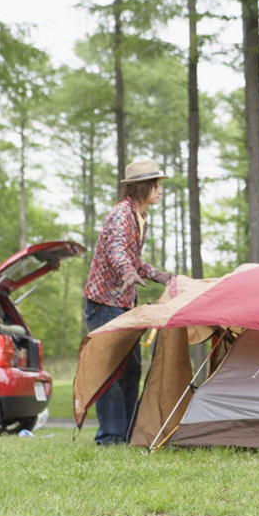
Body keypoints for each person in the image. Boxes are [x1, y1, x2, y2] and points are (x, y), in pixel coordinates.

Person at [83, 158, 173, 445]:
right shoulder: (121, 215)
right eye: (157, 185)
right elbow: (117, 250)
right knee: (112, 370)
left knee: (131, 368)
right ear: (143, 187)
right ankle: (110, 438)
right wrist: (128, 272)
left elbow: (131, 256)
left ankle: (127, 434)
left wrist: (157, 275)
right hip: (104, 303)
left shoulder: (140, 216)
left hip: (123, 303)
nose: (160, 190)